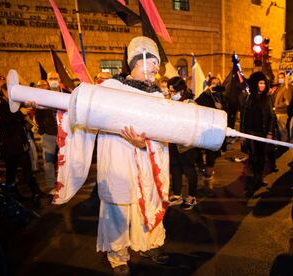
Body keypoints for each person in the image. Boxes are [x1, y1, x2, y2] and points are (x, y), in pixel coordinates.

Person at [95, 36, 169, 273]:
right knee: (118, 208)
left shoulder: (157, 96)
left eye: (157, 63)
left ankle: (147, 243)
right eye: (153, 62)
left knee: (146, 203)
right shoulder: (110, 89)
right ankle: (118, 256)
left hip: (145, 162)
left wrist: (143, 144)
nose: (157, 68)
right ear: (138, 61)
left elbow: (164, 132)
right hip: (118, 159)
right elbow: (89, 115)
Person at [0, 74, 41, 204]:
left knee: (27, 169)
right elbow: (3, 122)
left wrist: (27, 120)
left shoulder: (14, 104)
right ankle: (12, 197)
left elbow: (19, 123)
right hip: (10, 146)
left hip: (21, 144)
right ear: (5, 92)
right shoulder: (1, 104)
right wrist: (19, 113)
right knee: (11, 172)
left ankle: (36, 192)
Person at [166, 77, 198, 210]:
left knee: (189, 171)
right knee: (175, 169)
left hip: (186, 145)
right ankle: (177, 195)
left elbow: (194, 122)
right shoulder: (169, 102)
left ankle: (191, 196)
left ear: (182, 90)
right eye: (170, 91)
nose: (171, 94)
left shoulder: (190, 103)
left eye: (173, 91)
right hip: (173, 143)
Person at [241, 72, 272, 188]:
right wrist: (243, 134)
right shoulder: (248, 98)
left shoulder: (268, 98)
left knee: (262, 156)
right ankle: (256, 176)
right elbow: (244, 117)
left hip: (263, 133)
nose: (262, 85)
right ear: (255, 84)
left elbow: (271, 116)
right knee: (254, 156)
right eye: (260, 83)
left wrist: (269, 132)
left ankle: (260, 176)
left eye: (264, 83)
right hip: (251, 132)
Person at [195, 76, 225, 180]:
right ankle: (201, 166)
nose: (215, 86)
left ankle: (209, 170)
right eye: (213, 83)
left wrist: (221, 108)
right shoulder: (206, 95)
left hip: (216, 127)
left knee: (212, 150)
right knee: (198, 148)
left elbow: (229, 111)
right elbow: (196, 103)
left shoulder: (222, 96)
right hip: (205, 126)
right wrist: (206, 93)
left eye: (217, 84)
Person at [34, 76, 59, 194]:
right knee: (48, 160)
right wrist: (43, 130)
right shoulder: (38, 99)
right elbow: (38, 118)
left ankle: (60, 182)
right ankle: (50, 184)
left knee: (61, 159)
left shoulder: (55, 96)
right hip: (48, 135)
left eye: (43, 85)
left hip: (61, 134)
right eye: (39, 86)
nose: (41, 87)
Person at [273, 72, 292, 142]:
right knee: (279, 131)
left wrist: (276, 106)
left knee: (282, 130)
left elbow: (287, 102)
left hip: (282, 113)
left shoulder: (286, 88)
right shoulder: (279, 87)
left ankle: (284, 145)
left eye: (282, 77)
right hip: (277, 112)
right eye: (279, 77)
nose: (280, 79)